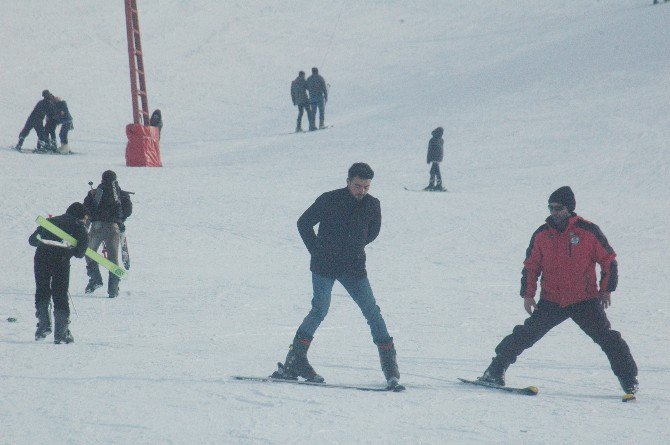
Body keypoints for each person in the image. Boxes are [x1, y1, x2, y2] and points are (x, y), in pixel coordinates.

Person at [478, 186, 639, 395]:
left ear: (569, 208)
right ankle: (494, 371)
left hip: (584, 300)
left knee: (609, 339)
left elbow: (608, 260)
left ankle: (629, 381)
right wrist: (528, 294)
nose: (553, 212)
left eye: (558, 208)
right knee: (525, 335)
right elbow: (531, 266)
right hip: (552, 300)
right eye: (550, 207)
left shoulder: (588, 231)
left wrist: (606, 289)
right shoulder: (542, 234)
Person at [271, 163, 401, 388]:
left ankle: (390, 366)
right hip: (324, 266)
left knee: (372, 311)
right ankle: (296, 360)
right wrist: (318, 250)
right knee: (319, 309)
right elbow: (304, 223)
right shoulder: (329, 199)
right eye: (358, 186)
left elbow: (372, 233)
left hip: (354, 268)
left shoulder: (372, 205)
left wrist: (354, 247)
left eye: (366, 187)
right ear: (348, 181)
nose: (361, 191)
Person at [28, 202, 89, 344]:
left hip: (41, 258)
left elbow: (32, 241)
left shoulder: (49, 222)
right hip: (61, 261)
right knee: (60, 293)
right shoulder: (79, 227)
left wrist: (46, 243)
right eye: (85, 218)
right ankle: (61, 333)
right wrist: (69, 249)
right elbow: (81, 253)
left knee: (42, 290)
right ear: (80, 216)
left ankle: (43, 325)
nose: (86, 221)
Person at [83, 170, 133, 298]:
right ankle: (113, 289)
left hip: (97, 227)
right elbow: (128, 210)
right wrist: (120, 220)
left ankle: (95, 279)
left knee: (89, 253)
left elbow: (86, 209)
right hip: (113, 228)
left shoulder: (95, 193)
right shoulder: (121, 194)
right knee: (113, 259)